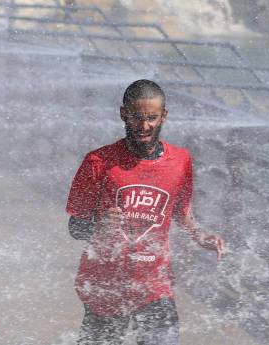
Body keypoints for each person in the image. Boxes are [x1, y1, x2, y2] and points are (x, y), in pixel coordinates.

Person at [66, 79, 224, 345]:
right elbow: (75, 227)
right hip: (106, 284)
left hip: (154, 284)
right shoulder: (98, 162)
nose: (144, 126)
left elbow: (180, 211)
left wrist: (199, 235)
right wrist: (100, 226)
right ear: (123, 114)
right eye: (137, 117)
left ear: (164, 116)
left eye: (151, 118)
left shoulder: (181, 161)